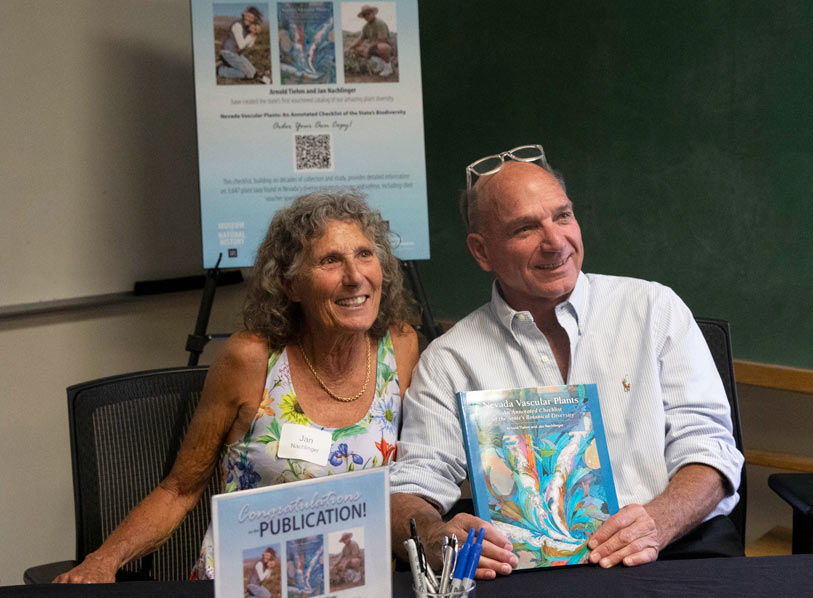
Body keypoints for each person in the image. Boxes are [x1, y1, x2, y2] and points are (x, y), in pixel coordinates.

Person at [390, 147, 744, 579]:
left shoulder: (654, 308)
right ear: (482, 252)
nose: (555, 242)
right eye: (525, 228)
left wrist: (661, 520)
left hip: (673, 547)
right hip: (528, 570)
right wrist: (432, 535)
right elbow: (413, 485)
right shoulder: (450, 359)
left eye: (562, 216)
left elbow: (710, 448)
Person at [55, 191, 420, 583]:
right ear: (291, 284)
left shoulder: (399, 347)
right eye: (330, 260)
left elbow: (417, 475)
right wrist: (103, 560)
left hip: (356, 584)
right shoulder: (251, 360)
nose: (355, 276)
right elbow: (179, 489)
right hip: (251, 584)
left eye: (365, 254)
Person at [219, 6, 266, 82]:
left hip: (236, 54)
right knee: (249, 74)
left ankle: (228, 65)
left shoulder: (247, 28)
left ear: (254, 19)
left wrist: (254, 34)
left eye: (251, 17)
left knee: (253, 72)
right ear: (244, 15)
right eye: (247, 16)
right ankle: (221, 70)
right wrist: (251, 34)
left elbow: (250, 45)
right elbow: (241, 46)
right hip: (228, 52)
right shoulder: (238, 26)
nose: (248, 19)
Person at [351, 5, 393, 77]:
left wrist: (369, 47)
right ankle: (380, 64)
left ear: (373, 13)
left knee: (382, 47)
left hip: (387, 46)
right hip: (374, 46)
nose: (367, 16)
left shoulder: (380, 23)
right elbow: (360, 40)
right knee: (357, 48)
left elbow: (383, 40)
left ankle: (388, 68)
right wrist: (351, 47)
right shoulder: (365, 27)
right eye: (364, 15)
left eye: (368, 13)